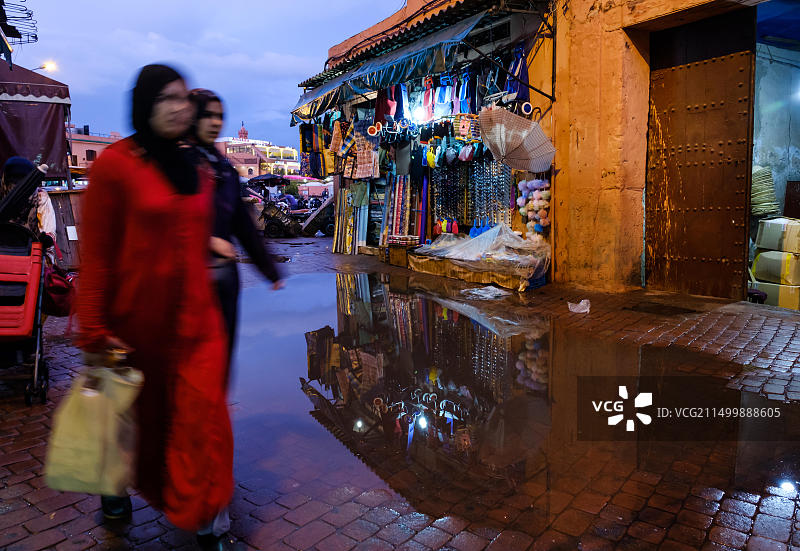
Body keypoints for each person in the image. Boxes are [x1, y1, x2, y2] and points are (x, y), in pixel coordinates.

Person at [76, 65, 233, 549]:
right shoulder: (116, 165)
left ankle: (205, 511)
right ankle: (115, 488)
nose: (178, 107)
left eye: (183, 98)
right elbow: (97, 256)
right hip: (137, 324)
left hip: (196, 321)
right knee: (135, 422)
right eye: (166, 98)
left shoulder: (196, 166)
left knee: (202, 416)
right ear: (144, 103)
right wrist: (94, 329)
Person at [188, 88, 283, 372]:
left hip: (224, 283)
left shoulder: (225, 170)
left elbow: (243, 226)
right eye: (207, 115)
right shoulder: (177, 166)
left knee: (220, 363)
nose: (215, 122)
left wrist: (269, 270)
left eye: (219, 116)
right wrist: (207, 241)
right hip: (188, 286)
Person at [0, 156, 57, 244]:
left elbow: (47, 218)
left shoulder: (40, 196)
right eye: (14, 179)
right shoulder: (2, 194)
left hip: (32, 245)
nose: (17, 185)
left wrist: (47, 237)